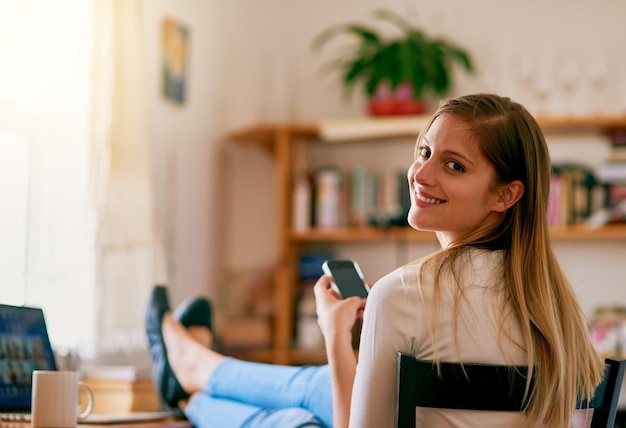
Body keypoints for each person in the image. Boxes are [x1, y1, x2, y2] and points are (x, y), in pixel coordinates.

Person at [146, 93, 604, 428]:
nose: (420, 174)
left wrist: (333, 335)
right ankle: (194, 372)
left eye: (454, 165)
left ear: (506, 194)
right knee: (317, 388)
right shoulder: (560, 311)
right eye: (425, 152)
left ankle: (192, 386)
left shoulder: (404, 293)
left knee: (292, 421)